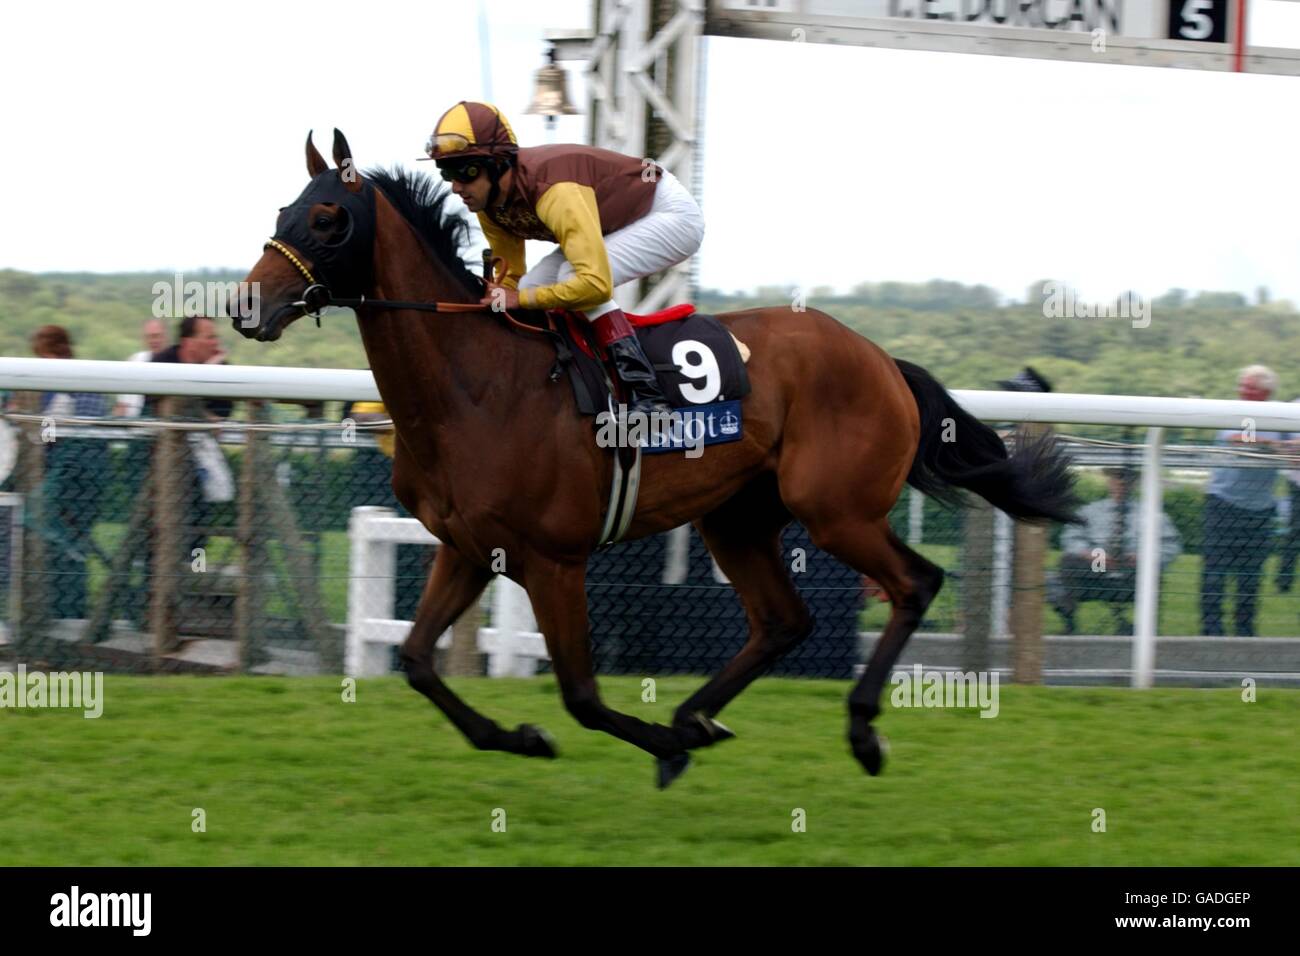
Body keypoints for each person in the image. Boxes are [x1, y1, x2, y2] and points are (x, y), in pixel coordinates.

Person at [424, 100, 705, 419]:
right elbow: (513, 280)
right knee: (533, 284)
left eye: (466, 171)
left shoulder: (554, 190)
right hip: (614, 221)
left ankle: (646, 393)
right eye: (447, 172)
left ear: (499, 163)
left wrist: (522, 298)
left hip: (669, 215)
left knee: (573, 276)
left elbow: (595, 286)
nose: (456, 186)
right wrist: (498, 299)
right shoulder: (488, 206)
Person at [29, 325, 109, 619]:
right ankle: (69, 611)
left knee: (47, 528)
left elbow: (48, 433)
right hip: (86, 475)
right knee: (72, 542)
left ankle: (65, 612)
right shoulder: (80, 378)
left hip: (73, 473)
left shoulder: (61, 383)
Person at [1200, 365, 1286, 637]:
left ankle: (1244, 631)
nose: (1243, 391)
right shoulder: (1232, 411)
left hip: (1261, 510)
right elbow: (1237, 439)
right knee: (1215, 573)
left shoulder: (1282, 417)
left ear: (1266, 393)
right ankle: (1211, 631)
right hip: (1223, 504)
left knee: (1250, 577)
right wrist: (1273, 446)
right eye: (1243, 385)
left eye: (1250, 388)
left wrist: (1281, 446)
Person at [1048, 467, 1182, 634]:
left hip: (1133, 569)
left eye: (1126, 478)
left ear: (1134, 483)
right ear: (1109, 481)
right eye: (1116, 478)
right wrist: (1095, 556)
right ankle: (1070, 626)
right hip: (1098, 566)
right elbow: (1070, 537)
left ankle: (1143, 631)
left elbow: (1171, 545)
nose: (1121, 483)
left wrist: (1144, 557)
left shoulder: (1153, 514)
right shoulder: (1090, 511)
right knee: (1068, 562)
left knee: (1152, 572)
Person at [112, 318, 167, 418]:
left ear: (165, 337)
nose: (153, 341)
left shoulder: (174, 362)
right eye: (149, 337)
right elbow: (122, 404)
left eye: (157, 336)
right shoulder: (135, 360)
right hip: (134, 423)